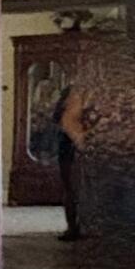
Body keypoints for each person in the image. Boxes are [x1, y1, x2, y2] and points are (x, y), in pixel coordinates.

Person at [51, 84, 90, 241]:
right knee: (72, 188)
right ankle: (73, 227)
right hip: (70, 147)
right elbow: (63, 121)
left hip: (71, 146)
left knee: (73, 188)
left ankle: (76, 226)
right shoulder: (77, 91)